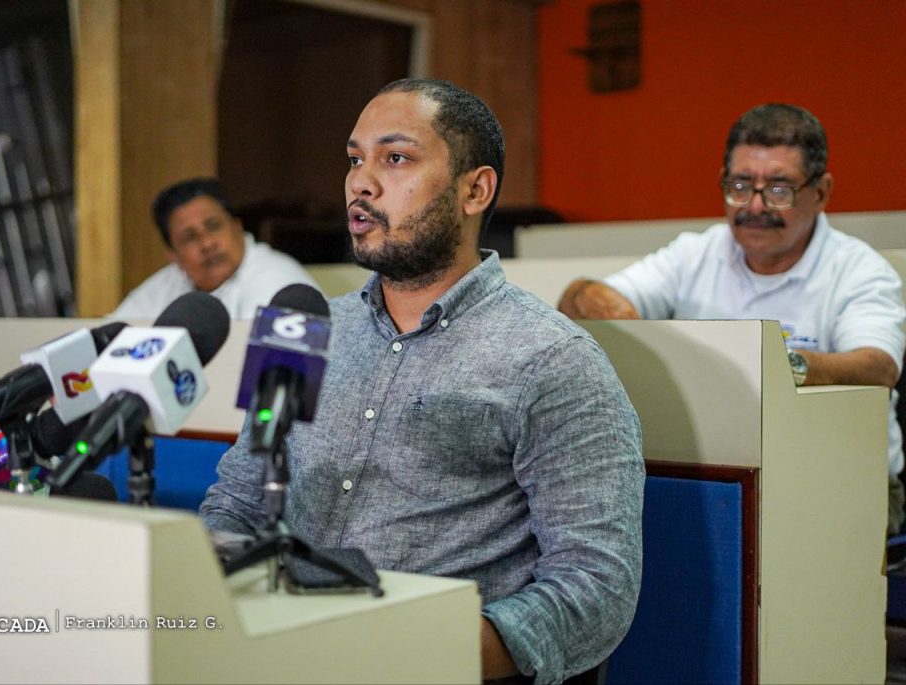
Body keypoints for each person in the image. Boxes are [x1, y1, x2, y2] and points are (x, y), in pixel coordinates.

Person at [200, 78, 644, 683]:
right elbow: (239, 499)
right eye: (354, 159)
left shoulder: (554, 360)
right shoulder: (299, 329)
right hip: (274, 654)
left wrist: (420, 649)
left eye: (396, 158)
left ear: (475, 190)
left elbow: (596, 588)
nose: (361, 182)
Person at [558, 103, 906, 534]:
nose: (754, 206)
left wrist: (774, 366)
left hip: (840, 481)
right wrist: (633, 332)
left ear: (821, 192)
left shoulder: (859, 269)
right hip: (714, 474)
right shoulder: (696, 253)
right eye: (740, 186)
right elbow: (579, 297)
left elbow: (877, 366)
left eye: (778, 189)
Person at [110, 177, 317, 319]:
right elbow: (112, 341)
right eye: (190, 237)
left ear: (237, 226)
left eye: (214, 226)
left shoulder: (276, 279)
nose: (207, 244)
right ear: (173, 256)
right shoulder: (167, 284)